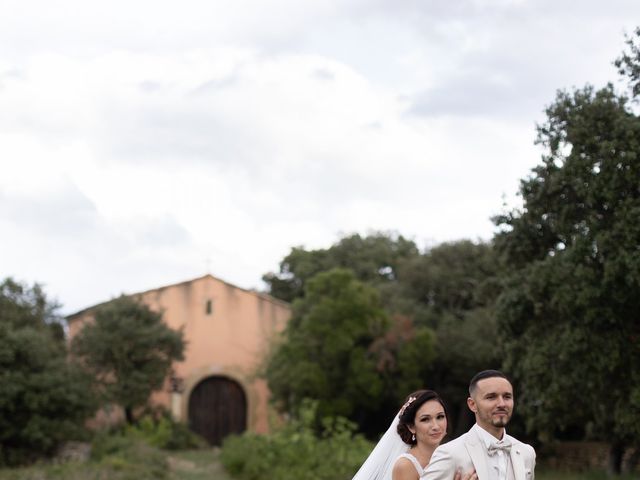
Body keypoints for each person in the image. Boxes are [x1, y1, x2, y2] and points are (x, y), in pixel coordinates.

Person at [423, 370, 536, 480]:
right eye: (491, 397)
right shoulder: (450, 453)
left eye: (507, 397)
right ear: (472, 404)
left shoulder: (526, 453)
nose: (502, 404)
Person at [352, 389, 477, 480]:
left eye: (440, 417)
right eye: (425, 419)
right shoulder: (406, 465)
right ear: (411, 427)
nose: (435, 426)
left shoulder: (454, 454)